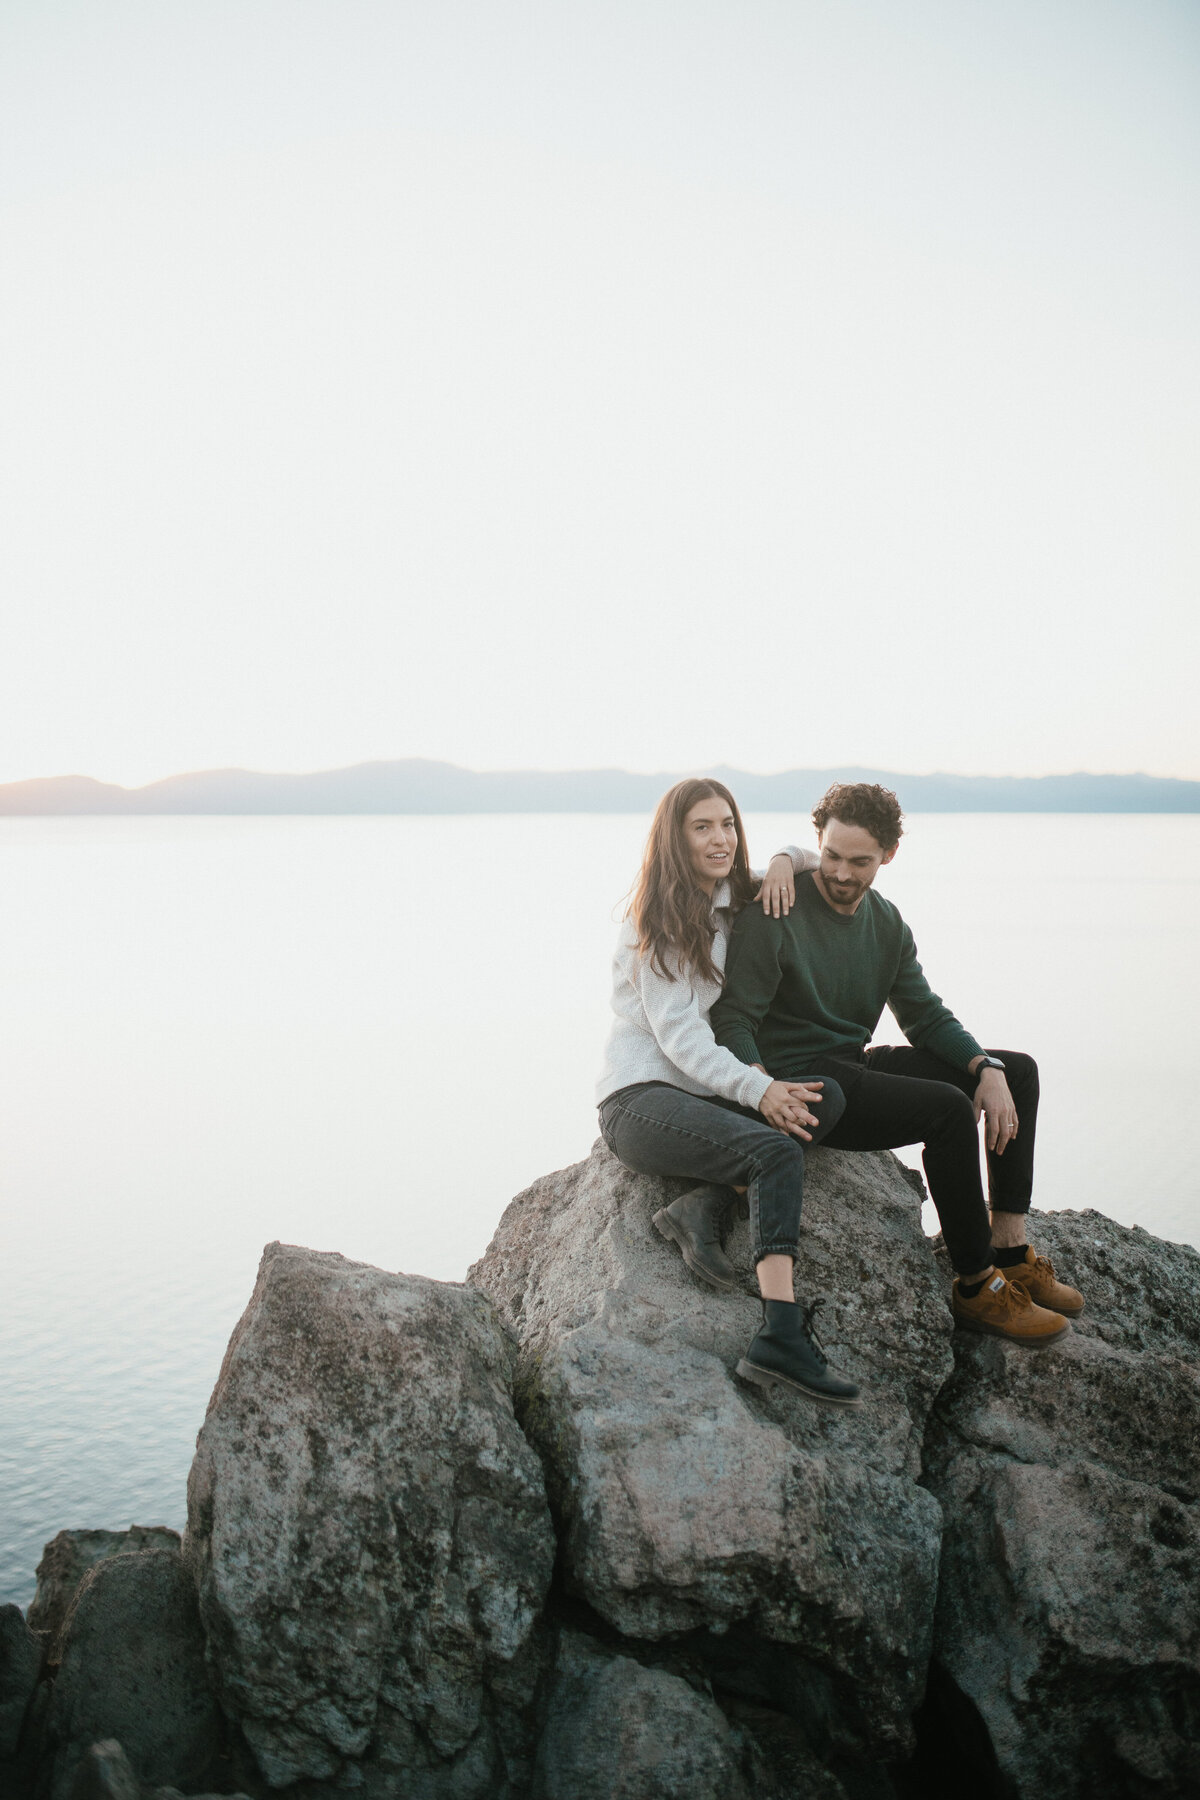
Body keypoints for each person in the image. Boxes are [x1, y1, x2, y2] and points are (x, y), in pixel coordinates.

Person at [711, 781, 1084, 1345]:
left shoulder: (887, 924)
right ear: (819, 843)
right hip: (804, 1084)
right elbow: (733, 1019)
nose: (840, 873)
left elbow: (926, 1017)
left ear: (888, 855)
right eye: (831, 856)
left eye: (859, 861)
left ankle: (1009, 1250)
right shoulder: (777, 908)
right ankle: (976, 1284)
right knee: (946, 1109)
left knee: (1017, 1070)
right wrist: (758, 1085)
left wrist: (984, 1065)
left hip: (853, 1062)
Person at [596, 777, 861, 1405]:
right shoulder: (652, 925)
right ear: (674, 839)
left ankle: (703, 1202)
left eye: (728, 825)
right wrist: (760, 1088)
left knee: (827, 1097)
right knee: (775, 1150)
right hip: (641, 1100)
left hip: (699, 1098)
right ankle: (780, 1335)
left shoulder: (734, 894)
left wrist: (775, 864)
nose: (720, 839)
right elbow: (682, 1039)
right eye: (702, 827)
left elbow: (810, 856)